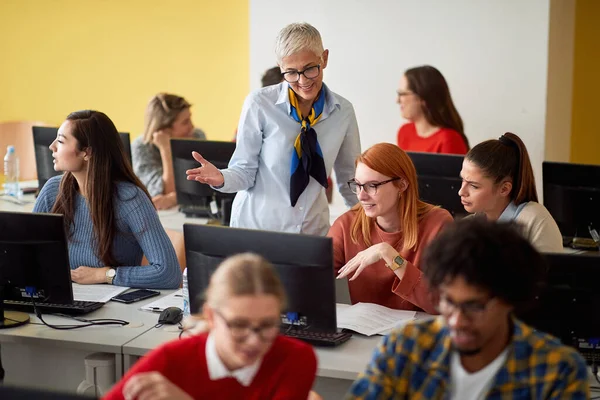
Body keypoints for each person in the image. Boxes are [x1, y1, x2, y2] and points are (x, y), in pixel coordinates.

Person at [346, 218, 589, 399]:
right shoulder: (404, 349)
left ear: (510, 300)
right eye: (448, 303)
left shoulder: (557, 371)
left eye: (474, 307)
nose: (457, 321)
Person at [186, 22, 361, 235]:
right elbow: (244, 171)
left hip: (312, 231)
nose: (302, 80)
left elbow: (350, 178)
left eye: (309, 69)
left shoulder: (343, 111)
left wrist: (368, 221)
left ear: (324, 58)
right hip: (257, 228)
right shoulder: (259, 104)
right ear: (281, 68)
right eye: (291, 73)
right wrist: (221, 178)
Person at [103, 253, 318, 400]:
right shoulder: (169, 360)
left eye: (268, 324)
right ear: (211, 317)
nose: (254, 340)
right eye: (239, 325)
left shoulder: (295, 359)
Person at [33, 110, 181, 289]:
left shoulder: (131, 200)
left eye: (61, 141)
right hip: (64, 298)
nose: (52, 146)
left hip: (115, 305)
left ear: (87, 152)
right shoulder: (52, 191)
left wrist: (103, 274)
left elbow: (168, 273)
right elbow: (28, 254)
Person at [329, 143, 452, 313]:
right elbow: (313, 279)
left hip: (420, 330)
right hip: (365, 333)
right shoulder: (347, 224)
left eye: (372, 186)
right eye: (357, 185)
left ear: (402, 185)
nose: (361, 195)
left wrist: (388, 254)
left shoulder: (438, 224)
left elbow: (442, 303)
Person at [459, 132, 563, 253]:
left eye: (473, 186)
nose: (461, 192)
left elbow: (550, 271)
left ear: (504, 189)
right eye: (462, 180)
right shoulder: (467, 226)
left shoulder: (536, 220)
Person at [132, 93, 207, 210]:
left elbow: (203, 189)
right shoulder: (141, 147)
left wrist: (175, 198)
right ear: (164, 129)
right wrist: (166, 149)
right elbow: (165, 191)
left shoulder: (197, 136)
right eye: (185, 122)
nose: (192, 126)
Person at [396, 65, 469, 154]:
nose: (397, 100)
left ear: (422, 97)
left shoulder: (449, 139)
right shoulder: (404, 132)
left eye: (402, 94)